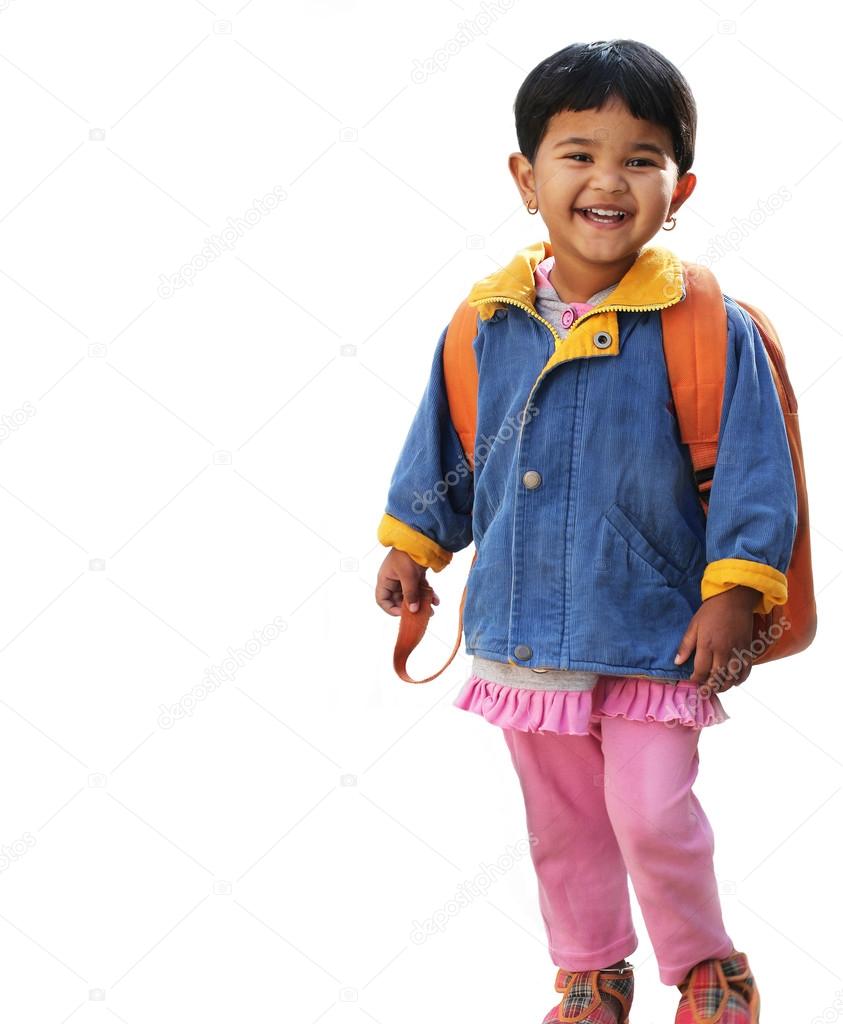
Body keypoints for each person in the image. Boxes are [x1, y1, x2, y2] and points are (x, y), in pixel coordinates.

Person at [374, 38, 792, 1024]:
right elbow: (447, 443)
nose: (609, 179)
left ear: (678, 187)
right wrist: (415, 544)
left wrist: (733, 589)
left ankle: (706, 967)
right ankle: (591, 972)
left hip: (654, 632)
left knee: (652, 816)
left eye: (641, 158)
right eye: (578, 152)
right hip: (523, 632)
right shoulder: (486, 321)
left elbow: (753, 472)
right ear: (526, 176)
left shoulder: (702, 323)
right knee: (563, 826)